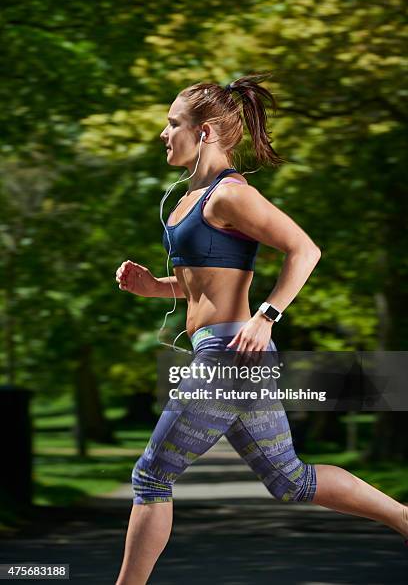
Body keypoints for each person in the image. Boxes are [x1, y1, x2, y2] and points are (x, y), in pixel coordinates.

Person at [115, 74, 408, 585]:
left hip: (229, 357)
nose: (163, 134)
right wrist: (154, 289)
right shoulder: (190, 197)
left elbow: (305, 250)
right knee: (290, 479)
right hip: (228, 353)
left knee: (151, 475)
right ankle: (404, 517)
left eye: (171, 124)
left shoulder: (230, 195)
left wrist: (266, 315)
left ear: (204, 131)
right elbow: (203, 287)